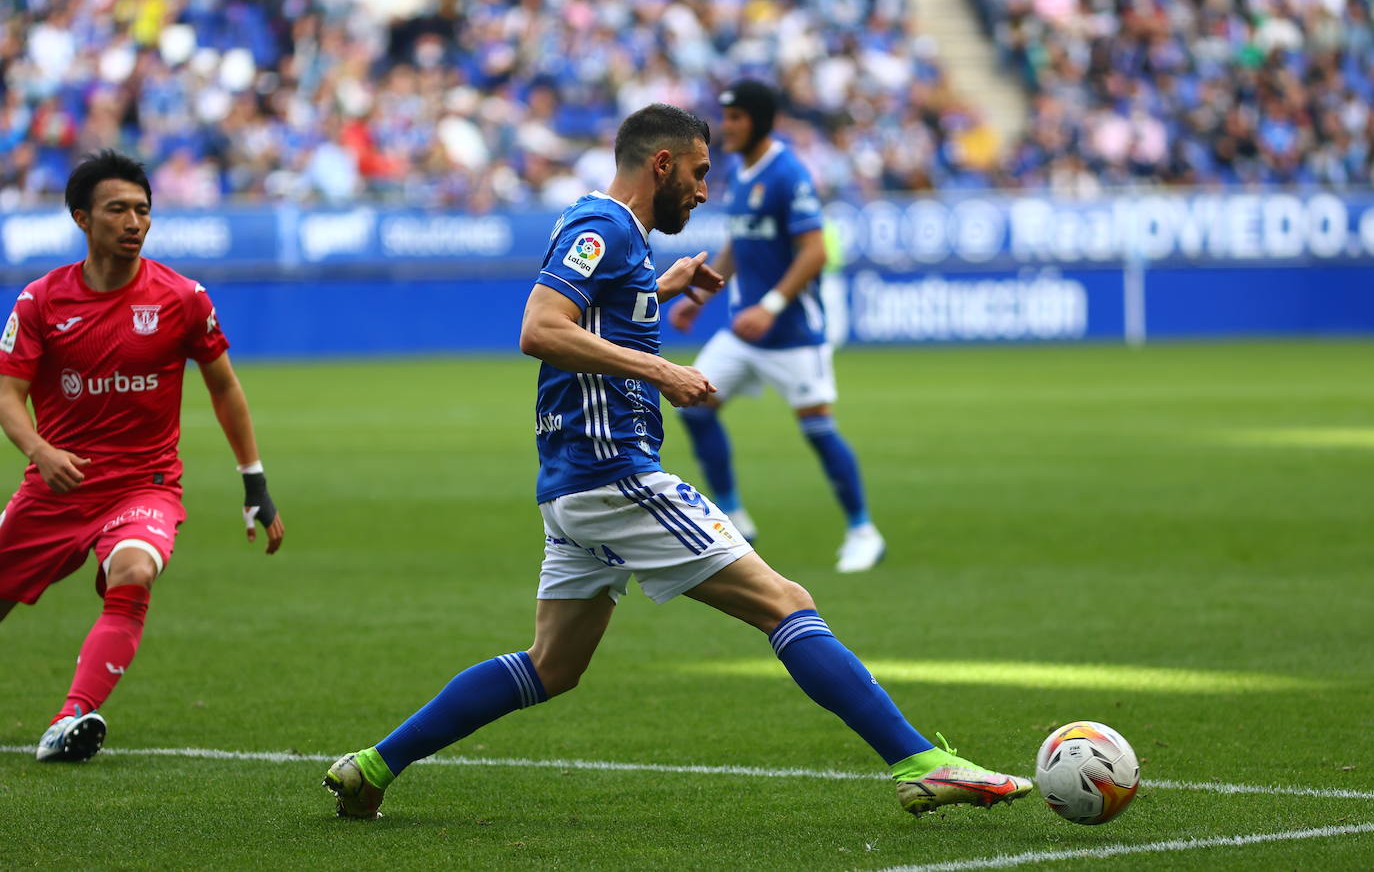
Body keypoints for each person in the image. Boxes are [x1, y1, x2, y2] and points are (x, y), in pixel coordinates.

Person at [322, 104, 1030, 820]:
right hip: (615, 477)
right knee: (787, 604)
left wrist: (663, 288)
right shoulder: (602, 227)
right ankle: (921, 763)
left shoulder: (611, 229)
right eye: (696, 174)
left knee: (552, 665)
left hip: (573, 486)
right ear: (660, 164)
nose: (701, 191)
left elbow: (596, 313)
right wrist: (664, 373)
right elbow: (540, 328)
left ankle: (373, 766)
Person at [0, 149, 284, 762]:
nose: (134, 222)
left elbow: (224, 385)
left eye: (143, 210)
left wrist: (253, 480)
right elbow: (7, 393)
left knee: (134, 571)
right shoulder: (40, 303)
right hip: (57, 487)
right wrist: (39, 449)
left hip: (144, 486)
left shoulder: (182, 298)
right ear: (82, 218)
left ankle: (71, 717)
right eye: (118, 209)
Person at [667, 80, 884, 573]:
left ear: (760, 121)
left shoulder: (788, 174)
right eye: (726, 118)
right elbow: (739, 241)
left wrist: (770, 305)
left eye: (737, 118)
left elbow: (815, 251)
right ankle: (734, 515)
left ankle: (863, 530)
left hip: (791, 334)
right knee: (695, 406)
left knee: (819, 430)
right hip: (744, 334)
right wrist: (698, 298)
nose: (727, 128)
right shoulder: (743, 174)